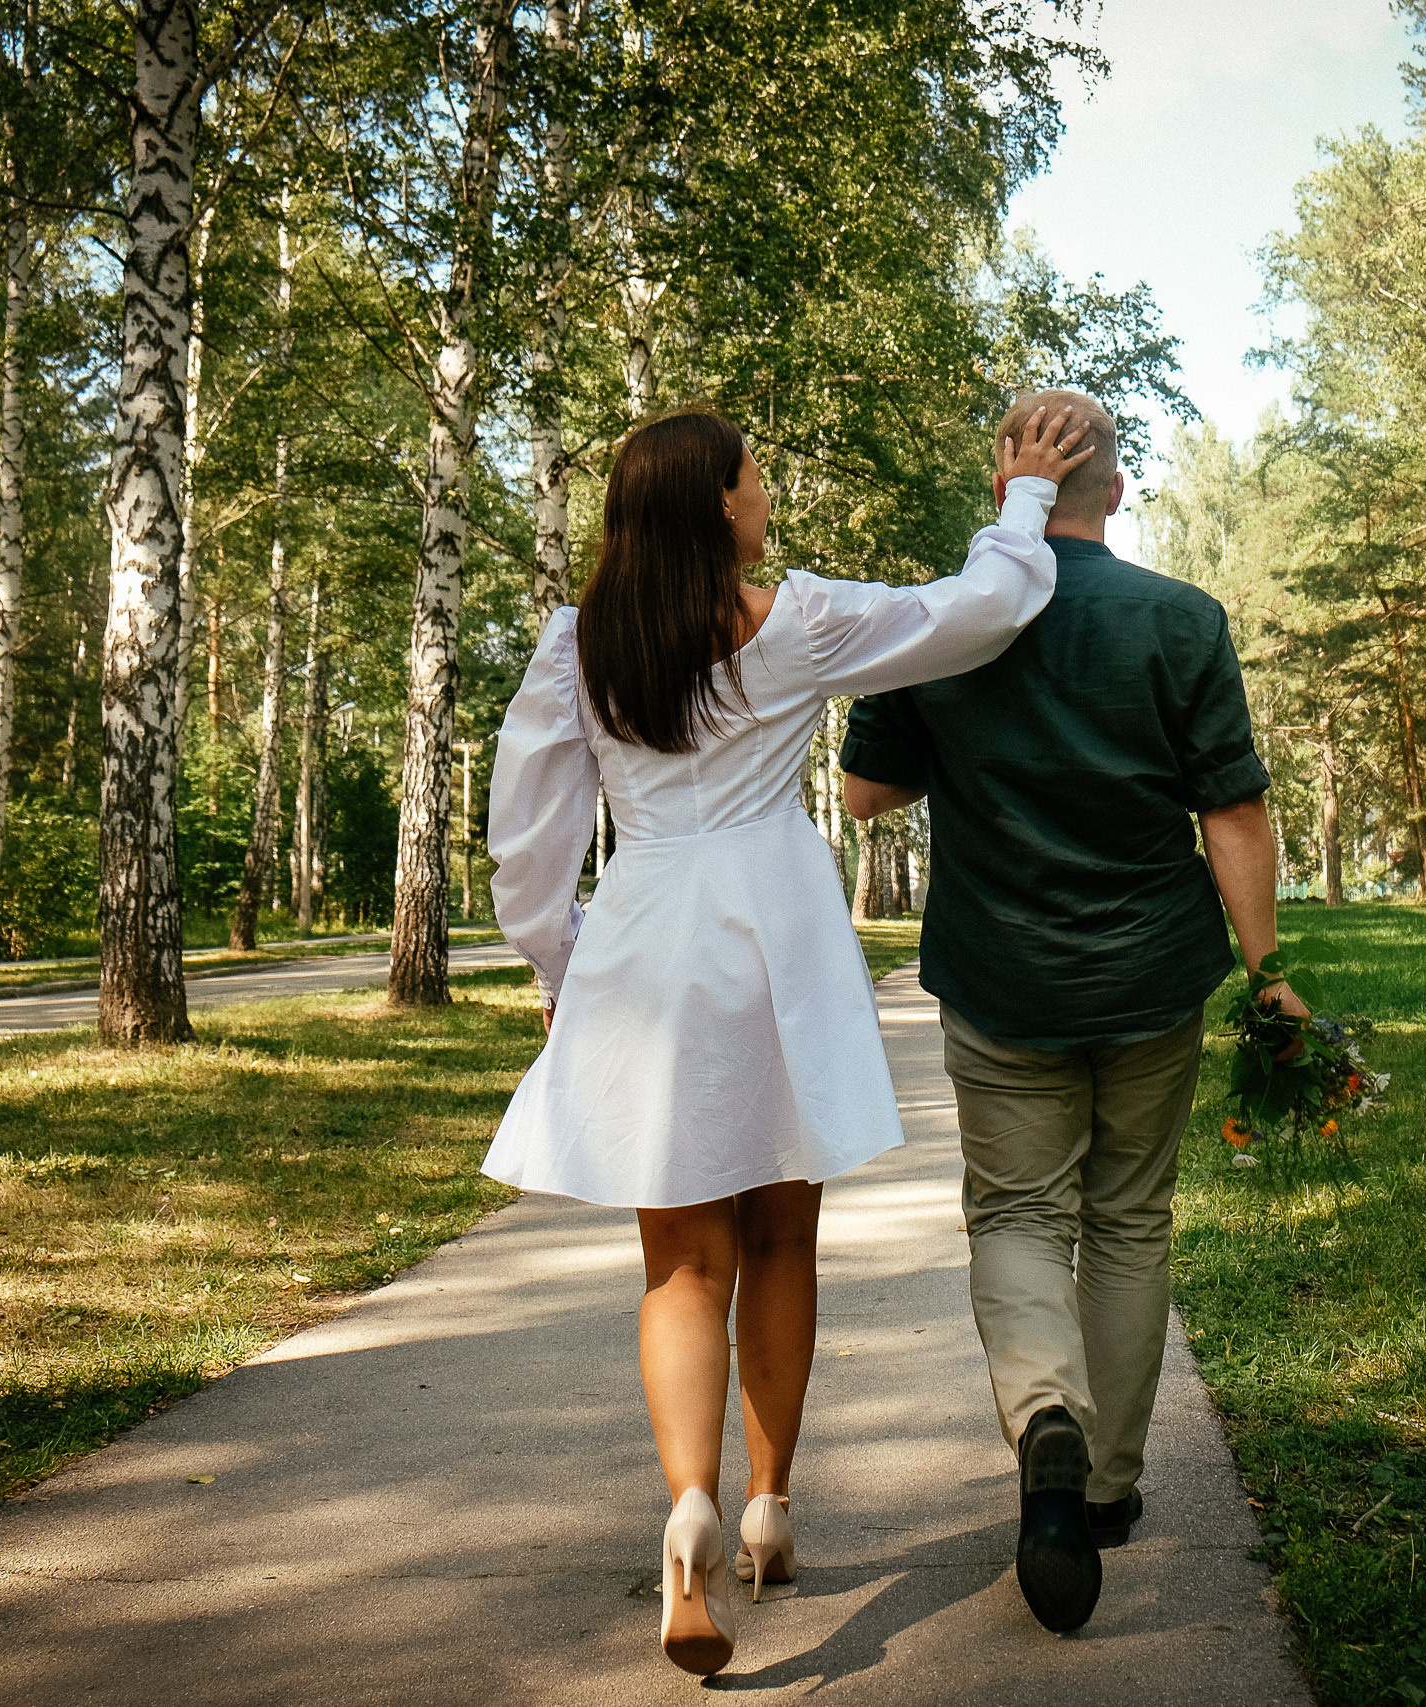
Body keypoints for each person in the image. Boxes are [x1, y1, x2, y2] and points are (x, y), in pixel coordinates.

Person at [483, 405, 1097, 1675]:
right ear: (717, 502)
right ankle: (769, 1501)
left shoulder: (575, 648)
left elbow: (527, 854)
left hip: (648, 936)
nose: (767, 495)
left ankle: (690, 1509)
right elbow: (973, 613)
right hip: (777, 935)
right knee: (781, 1238)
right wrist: (1025, 499)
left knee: (680, 1264)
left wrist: (565, 968)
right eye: (755, 479)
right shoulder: (798, 618)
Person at [841, 387, 1308, 1635]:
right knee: (1128, 1219)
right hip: (1152, 974)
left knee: (1017, 1213)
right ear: (1115, 484)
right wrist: (1265, 972)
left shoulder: (940, 625)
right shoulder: (1180, 619)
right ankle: (1103, 1490)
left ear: (1012, 480)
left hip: (999, 976)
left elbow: (863, 795)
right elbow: (1235, 814)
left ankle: (1043, 1414)